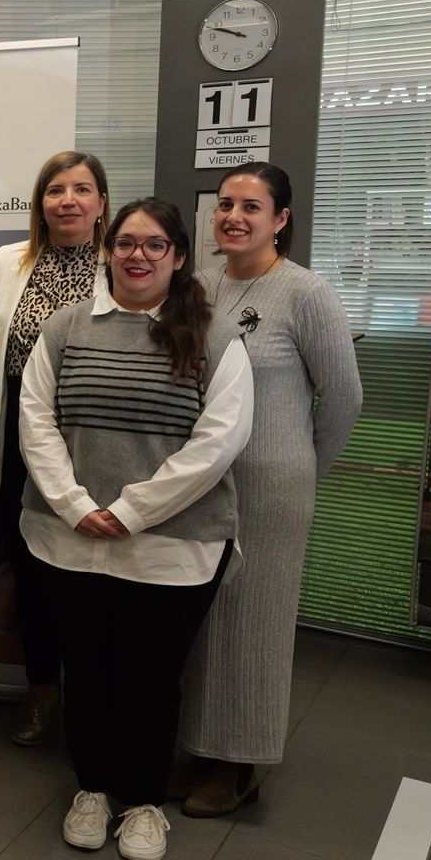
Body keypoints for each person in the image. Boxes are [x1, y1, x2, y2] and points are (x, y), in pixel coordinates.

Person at [19, 198, 253, 860]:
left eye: (154, 245)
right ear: (107, 250)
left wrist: (128, 512)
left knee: (151, 679)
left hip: (172, 548)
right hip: (70, 538)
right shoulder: (66, 327)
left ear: (179, 256)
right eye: (125, 243)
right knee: (86, 671)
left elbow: (218, 442)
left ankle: (145, 802)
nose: (138, 256)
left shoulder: (217, 336)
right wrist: (73, 504)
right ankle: (92, 788)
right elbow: (36, 422)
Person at [177, 164, 361, 816]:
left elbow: (343, 397)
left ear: (280, 219)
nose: (234, 216)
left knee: (255, 624)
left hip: (273, 486)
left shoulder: (304, 293)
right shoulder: (199, 286)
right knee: (205, 621)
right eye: (226, 204)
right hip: (203, 484)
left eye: (251, 207)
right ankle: (202, 746)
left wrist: (303, 466)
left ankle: (239, 764)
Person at [0, 151, 109, 746]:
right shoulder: (11, 262)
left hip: (93, 439)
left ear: (102, 203)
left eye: (82, 189)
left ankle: (93, 703)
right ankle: (40, 694)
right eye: (56, 190)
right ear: (40, 204)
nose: (68, 201)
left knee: (92, 574)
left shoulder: (124, 263)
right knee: (30, 570)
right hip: (17, 442)